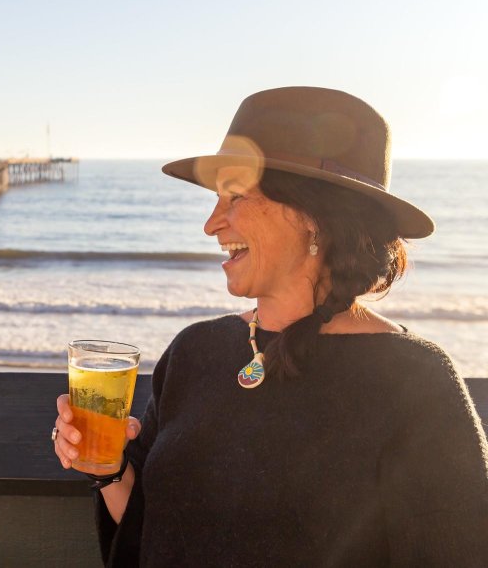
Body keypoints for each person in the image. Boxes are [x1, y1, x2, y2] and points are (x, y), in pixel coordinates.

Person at [53, 86, 488, 566]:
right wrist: (109, 468)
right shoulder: (195, 350)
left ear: (314, 218)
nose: (211, 224)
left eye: (234, 197)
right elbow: (148, 526)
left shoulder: (414, 380)